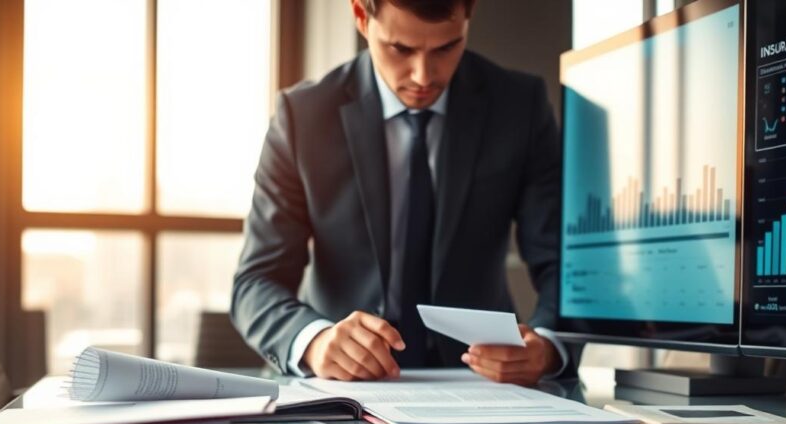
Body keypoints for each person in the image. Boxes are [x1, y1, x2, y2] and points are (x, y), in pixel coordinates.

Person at [232, 0, 568, 386]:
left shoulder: (519, 108)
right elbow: (256, 282)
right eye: (401, 49)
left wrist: (547, 345)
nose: (424, 75)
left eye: (446, 47)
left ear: (469, 16)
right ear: (361, 16)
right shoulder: (302, 117)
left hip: (483, 385)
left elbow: (562, 265)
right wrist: (315, 341)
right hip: (340, 387)